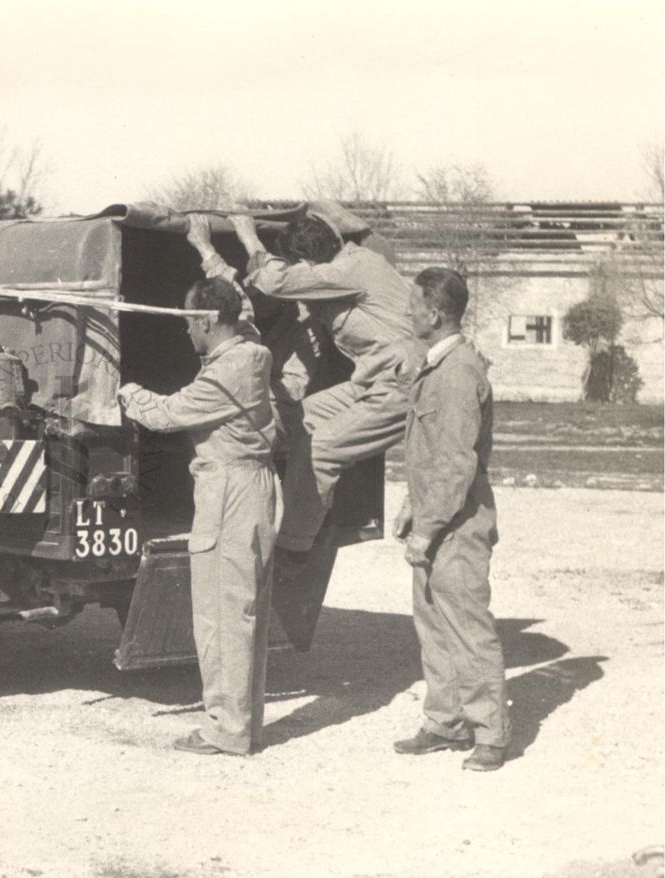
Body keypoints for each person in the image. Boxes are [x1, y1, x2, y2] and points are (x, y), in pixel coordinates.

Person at [186, 208, 425, 557]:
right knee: (298, 420)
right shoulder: (326, 293)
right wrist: (209, 255)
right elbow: (242, 304)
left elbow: (273, 281)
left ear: (310, 263)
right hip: (371, 383)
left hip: (406, 382)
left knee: (321, 448)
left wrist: (246, 235)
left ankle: (291, 550)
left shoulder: (355, 266)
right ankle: (269, 516)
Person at [118, 276, 280, 756]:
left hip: (229, 489)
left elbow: (167, 414)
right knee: (244, 612)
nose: (186, 334)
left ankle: (226, 730)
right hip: (253, 486)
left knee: (221, 614)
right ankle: (241, 725)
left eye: (190, 323)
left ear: (209, 321)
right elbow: (243, 315)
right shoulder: (252, 350)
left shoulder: (225, 373)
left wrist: (128, 393)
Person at [392, 267, 509, 772]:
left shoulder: (458, 371)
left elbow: (458, 462)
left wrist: (427, 527)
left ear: (435, 313)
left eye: (414, 304)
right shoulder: (436, 364)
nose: (408, 312)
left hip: (457, 525)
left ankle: (490, 735)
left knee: (467, 628)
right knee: (434, 626)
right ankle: (445, 723)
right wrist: (410, 507)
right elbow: (430, 452)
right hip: (437, 516)